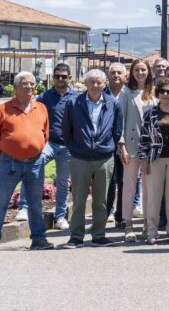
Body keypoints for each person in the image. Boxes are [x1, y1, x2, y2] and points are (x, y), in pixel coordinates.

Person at [0, 72, 51, 252]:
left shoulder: (41, 108)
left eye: (32, 84)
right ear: (16, 87)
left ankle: (39, 239)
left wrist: (33, 149)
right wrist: (8, 153)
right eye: (25, 84)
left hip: (35, 163)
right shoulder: (3, 109)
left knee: (35, 204)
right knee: (0, 202)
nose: (29, 87)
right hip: (10, 164)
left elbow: (45, 134)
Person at [64, 69, 122, 247]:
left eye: (99, 82)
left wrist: (107, 147)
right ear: (86, 84)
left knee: (101, 200)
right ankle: (76, 236)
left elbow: (117, 130)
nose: (95, 85)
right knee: (79, 200)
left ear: (104, 84)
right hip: (80, 158)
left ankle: (98, 235)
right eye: (92, 82)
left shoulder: (113, 103)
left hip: (104, 158)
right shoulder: (74, 102)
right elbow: (66, 130)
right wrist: (75, 147)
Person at [17, 63, 75, 230]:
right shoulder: (44, 97)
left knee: (63, 183)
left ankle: (60, 217)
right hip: (48, 143)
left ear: (69, 78)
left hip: (67, 146)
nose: (60, 79)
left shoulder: (77, 97)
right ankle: (23, 207)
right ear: (53, 78)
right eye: (57, 76)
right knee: (32, 170)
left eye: (64, 76)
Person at [138, 76, 169, 244]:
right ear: (158, 93)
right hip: (155, 159)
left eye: (168, 91)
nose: (165, 94)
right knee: (153, 198)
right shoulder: (150, 113)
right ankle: (152, 231)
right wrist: (143, 159)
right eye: (162, 91)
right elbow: (144, 138)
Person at [119, 59, 154, 242]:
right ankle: (129, 225)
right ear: (132, 73)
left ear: (148, 72)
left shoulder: (154, 91)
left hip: (151, 148)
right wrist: (122, 146)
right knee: (129, 187)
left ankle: (148, 225)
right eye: (137, 70)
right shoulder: (126, 92)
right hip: (131, 146)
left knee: (149, 188)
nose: (140, 73)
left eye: (143, 70)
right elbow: (120, 120)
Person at [105, 62, 129, 229]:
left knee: (124, 182)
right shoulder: (102, 94)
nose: (116, 75)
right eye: (113, 72)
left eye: (119, 72)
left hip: (127, 144)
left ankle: (121, 216)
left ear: (125, 76)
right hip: (107, 144)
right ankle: (105, 214)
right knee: (108, 182)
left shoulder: (130, 94)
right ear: (108, 75)